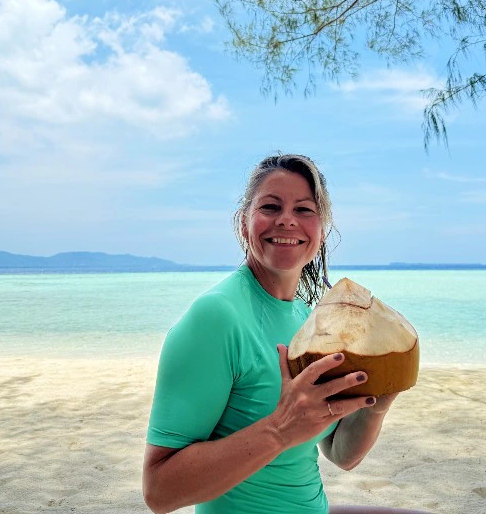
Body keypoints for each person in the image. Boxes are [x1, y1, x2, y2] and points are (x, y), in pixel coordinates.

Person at [143, 154, 425, 514]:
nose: (287, 220)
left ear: (321, 230)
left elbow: (340, 453)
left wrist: (376, 406)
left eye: (304, 210)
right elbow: (159, 492)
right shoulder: (215, 317)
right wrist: (279, 429)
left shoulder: (310, 320)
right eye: (270, 206)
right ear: (244, 224)